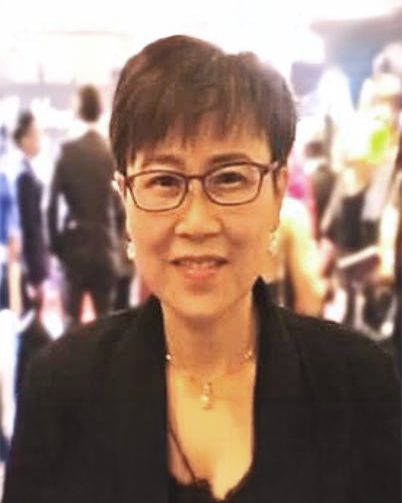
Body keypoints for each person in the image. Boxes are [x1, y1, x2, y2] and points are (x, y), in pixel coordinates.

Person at [3, 36, 400, 503]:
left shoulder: (359, 384)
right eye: (163, 181)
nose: (196, 222)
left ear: (277, 191)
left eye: (230, 178)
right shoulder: (61, 390)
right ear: (125, 199)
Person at [47, 85, 118, 326]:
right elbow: (121, 203)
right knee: (105, 326)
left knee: (71, 324)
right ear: (99, 110)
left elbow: (50, 206)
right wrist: (117, 238)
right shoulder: (110, 153)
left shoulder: (66, 152)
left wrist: (57, 247)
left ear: (77, 110)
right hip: (104, 247)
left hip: (74, 248)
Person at [13, 111, 48, 313]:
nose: (39, 139)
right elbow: (28, 227)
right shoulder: (23, 175)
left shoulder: (22, 170)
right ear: (25, 138)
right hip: (27, 269)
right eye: (36, 134)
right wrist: (34, 276)